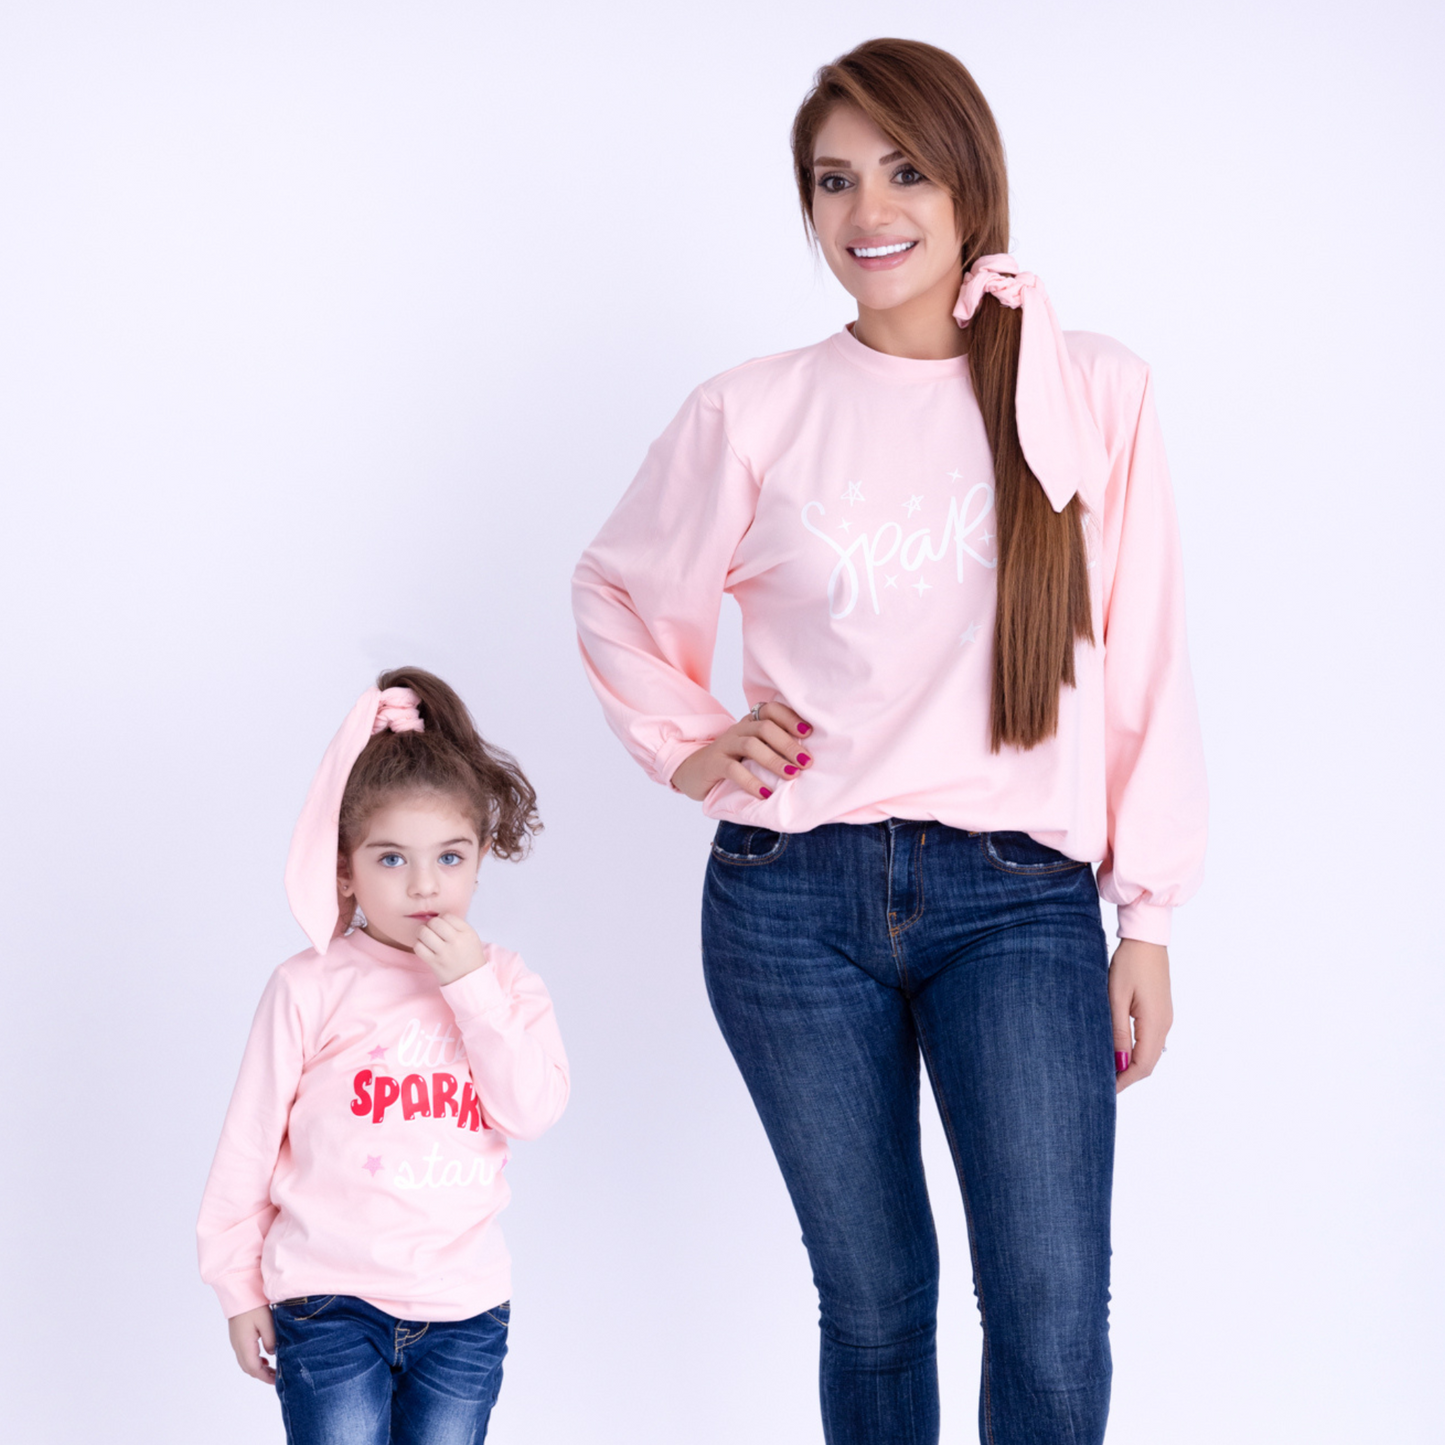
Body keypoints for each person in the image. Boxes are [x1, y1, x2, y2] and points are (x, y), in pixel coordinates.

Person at [571, 37, 1205, 1445]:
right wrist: (689, 739)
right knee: (872, 1303)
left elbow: (1146, 655)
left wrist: (1148, 918)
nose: (867, 209)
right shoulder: (751, 410)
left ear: (970, 180)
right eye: (832, 179)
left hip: (1017, 898)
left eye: (904, 170)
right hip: (789, 900)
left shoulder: (1090, 389)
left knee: (1048, 1313)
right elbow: (614, 588)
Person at [197, 668, 569, 1445]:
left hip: (464, 1309)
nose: (424, 885)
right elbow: (247, 1145)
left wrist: (469, 988)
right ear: (346, 867)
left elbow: (531, 1110)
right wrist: (237, 1286)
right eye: (392, 859)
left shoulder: (504, 982)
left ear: (480, 856)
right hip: (327, 1301)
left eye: (450, 857)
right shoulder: (308, 984)